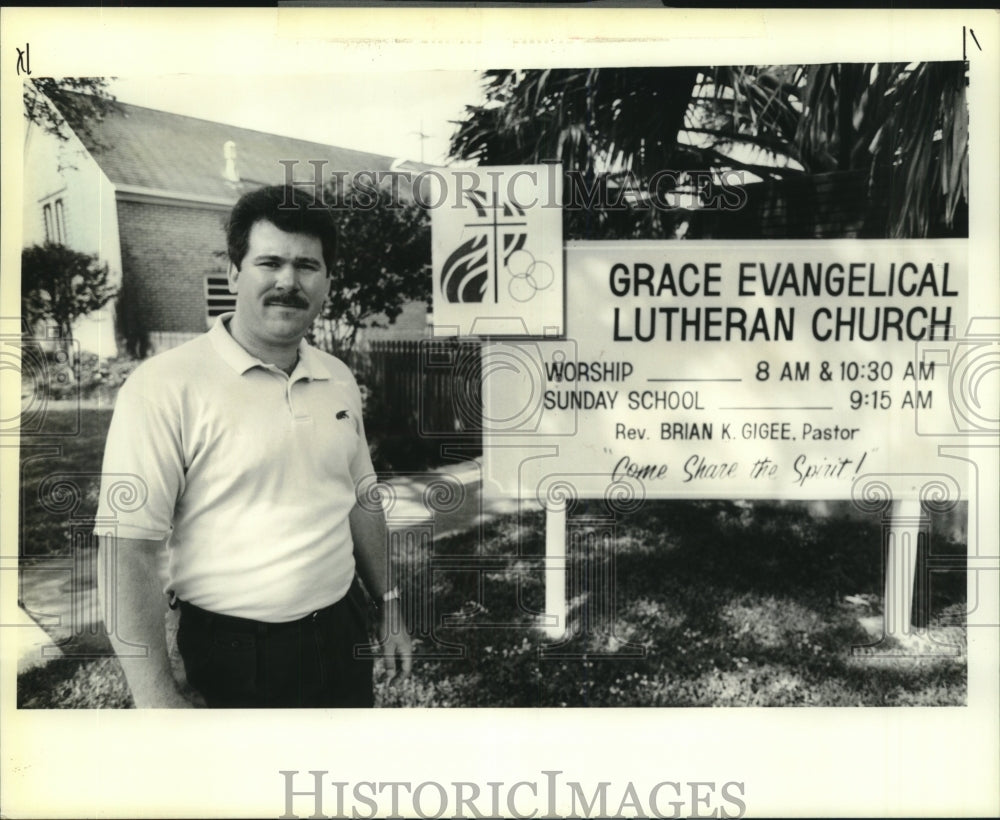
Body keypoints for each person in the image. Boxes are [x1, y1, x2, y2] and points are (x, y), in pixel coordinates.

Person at [95, 184, 411, 708]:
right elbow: (127, 548)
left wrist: (389, 604)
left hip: (341, 631)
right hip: (234, 653)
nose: (289, 281)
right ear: (234, 273)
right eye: (270, 262)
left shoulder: (336, 377)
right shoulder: (164, 385)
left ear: (327, 281)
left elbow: (360, 497)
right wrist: (156, 700)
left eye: (308, 265)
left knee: (333, 781)